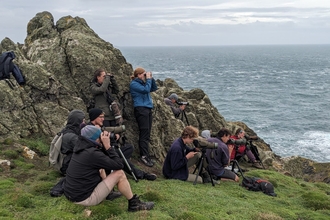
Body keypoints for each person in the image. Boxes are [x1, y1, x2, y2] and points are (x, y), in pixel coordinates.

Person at [63, 125, 154, 212]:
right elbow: (119, 165)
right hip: (83, 199)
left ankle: (109, 193)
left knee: (101, 168)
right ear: (97, 139)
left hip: (71, 194)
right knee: (120, 173)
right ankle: (134, 204)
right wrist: (108, 146)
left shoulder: (81, 148)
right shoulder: (92, 154)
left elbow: (103, 162)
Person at [86, 108, 157, 181]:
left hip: (108, 151)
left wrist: (113, 135)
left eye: (103, 117)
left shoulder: (99, 127)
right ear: (94, 117)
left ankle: (119, 165)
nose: (103, 119)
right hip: (101, 156)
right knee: (122, 160)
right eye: (100, 117)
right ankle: (142, 175)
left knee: (129, 148)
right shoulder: (89, 130)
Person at [129, 67, 158, 167]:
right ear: (138, 75)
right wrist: (148, 80)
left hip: (147, 109)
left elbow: (153, 88)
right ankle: (144, 156)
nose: (145, 75)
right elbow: (146, 90)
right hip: (141, 109)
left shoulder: (143, 83)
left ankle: (146, 155)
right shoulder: (134, 84)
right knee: (144, 133)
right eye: (143, 74)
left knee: (147, 133)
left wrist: (151, 79)